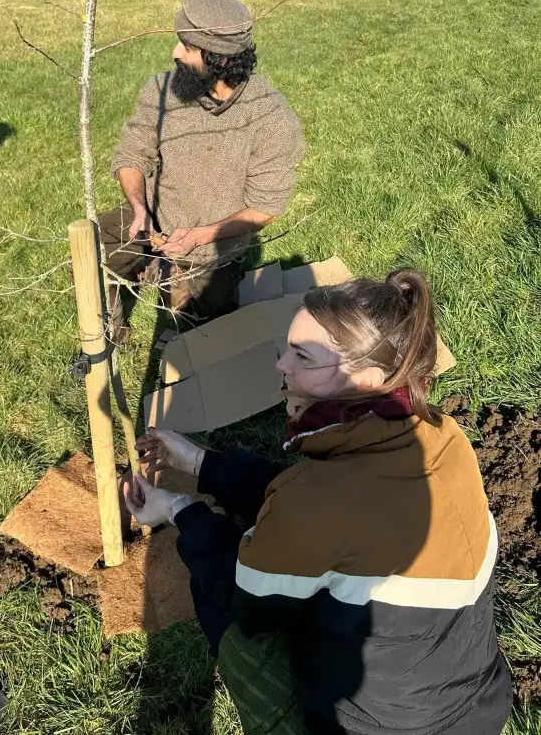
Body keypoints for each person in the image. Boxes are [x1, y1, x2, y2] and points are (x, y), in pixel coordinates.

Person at [125, 269, 513, 735]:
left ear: (368, 378)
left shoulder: (315, 503)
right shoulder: (443, 437)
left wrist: (177, 510)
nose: (281, 366)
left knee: (237, 632)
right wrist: (200, 463)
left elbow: (245, 601)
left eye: (303, 356)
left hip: (378, 727)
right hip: (478, 702)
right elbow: (314, 500)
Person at [102, 0, 305, 340]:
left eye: (187, 46)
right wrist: (138, 207)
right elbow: (132, 153)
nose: (175, 53)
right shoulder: (161, 90)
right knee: (90, 249)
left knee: (199, 335)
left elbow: (266, 208)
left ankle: (183, 292)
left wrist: (200, 237)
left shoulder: (271, 118)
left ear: (221, 60)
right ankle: (107, 334)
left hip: (213, 242)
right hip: (150, 216)